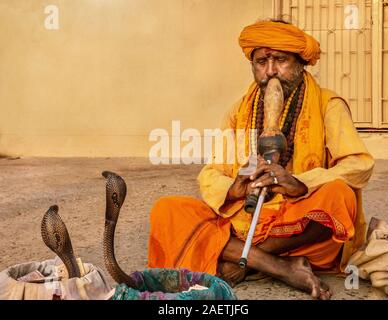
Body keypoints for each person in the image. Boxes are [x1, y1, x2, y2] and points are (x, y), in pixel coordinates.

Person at [147, 19, 374, 300]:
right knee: (167, 210)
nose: (270, 71)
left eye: (280, 60)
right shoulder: (238, 111)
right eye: (261, 61)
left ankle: (242, 259)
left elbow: (360, 166)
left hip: (300, 226)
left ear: (301, 62)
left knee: (341, 196)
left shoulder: (328, 105)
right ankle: (275, 265)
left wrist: (300, 183)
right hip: (245, 222)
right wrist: (234, 188)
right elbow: (211, 172)